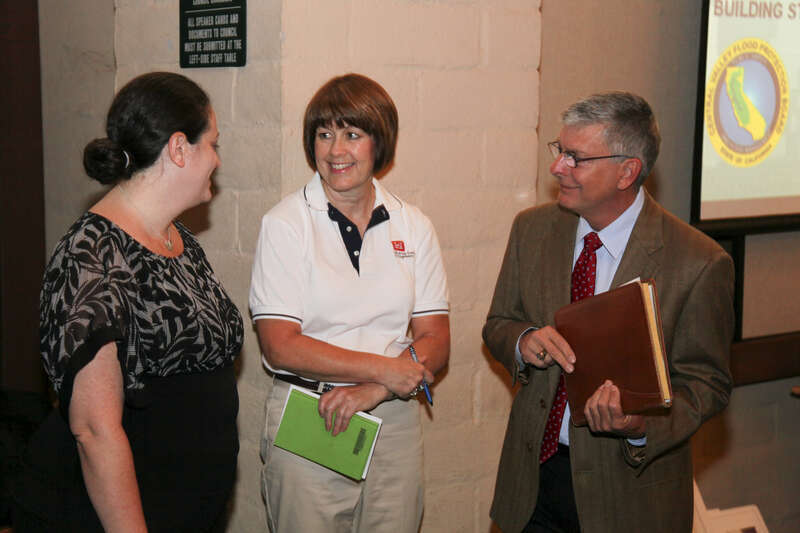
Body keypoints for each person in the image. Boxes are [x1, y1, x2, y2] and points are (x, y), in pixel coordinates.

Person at [483, 92, 734, 533]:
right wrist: (524, 341)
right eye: (559, 151)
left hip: (630, 497)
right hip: (533, 487)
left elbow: (706, 385)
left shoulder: (698, 262)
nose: (557, 167)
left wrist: (639, 425)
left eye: (575, 157)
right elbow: (498, 324)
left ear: (627, 171)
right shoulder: (532, 229)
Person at [13, 72, 244, 532]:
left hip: (185, 508)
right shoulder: (90, 255)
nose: (217, 160)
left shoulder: (178, 239)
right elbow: (95, 431)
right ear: (180, 149)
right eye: (212, 144)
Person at [249, 73, 450, 533]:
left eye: (352, 134)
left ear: (380, 143)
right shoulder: (286, 224)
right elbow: (280, 346)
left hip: (393, 418)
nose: (335, 150)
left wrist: (376, 390)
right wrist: (383, 369)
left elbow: (435, 338)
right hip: (312, 413)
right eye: (324, 134)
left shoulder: (413, 225)